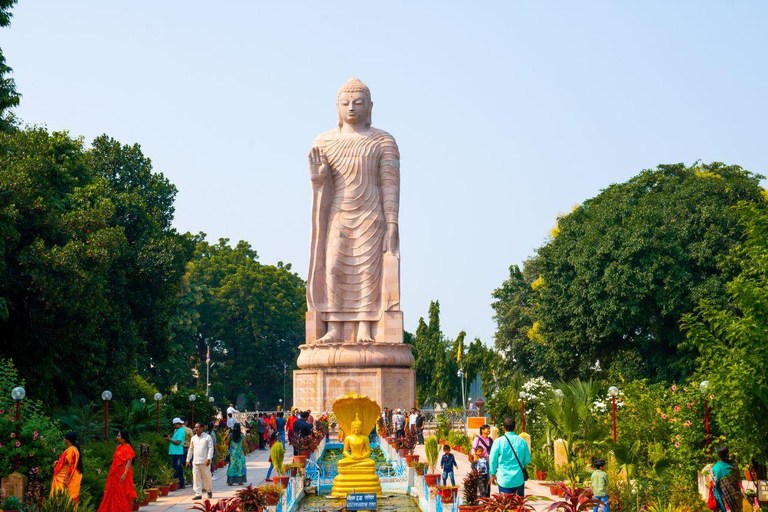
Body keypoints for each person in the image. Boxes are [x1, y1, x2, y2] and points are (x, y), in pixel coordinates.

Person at [489, 416, 531, 496]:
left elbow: (493, 460)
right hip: (518, 479)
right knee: (518, 506)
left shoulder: (498, 442)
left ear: (503, 428)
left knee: (506, 506)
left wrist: (493, 473)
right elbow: (527, 460)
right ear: (515, 427)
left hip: (504, 479)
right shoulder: (522, 441)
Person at [97, 430, 136, 512]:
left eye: (119, 436)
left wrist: (125, 474)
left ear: (123, 438)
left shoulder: (128, 447)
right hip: (115, 474)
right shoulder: (118, 447)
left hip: (122, 475)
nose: (117, 438)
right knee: (114, 494)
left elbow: (129, 462)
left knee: (122, 494)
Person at [51, 431, 83, 503]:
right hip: (63, 478)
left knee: (60, 500)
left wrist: (66, 480)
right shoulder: (73, 449)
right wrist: (58, 463)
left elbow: (70, 466)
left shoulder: (71, 450)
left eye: (65, 439)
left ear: (67, 440)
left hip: (63, 480)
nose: (64, 440)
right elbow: (66, 462)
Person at [186, 422, 214, 500]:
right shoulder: (193, 438)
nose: (196, 429)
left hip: (205, 462)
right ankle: (198, 493)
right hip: (195, 462)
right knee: (196, 478)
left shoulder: (207, 437)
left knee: (207, 477)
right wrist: (187, 460)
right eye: (195, 427)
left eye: (198, 427)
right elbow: (190, 449)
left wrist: (209, 458)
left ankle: (209, 490)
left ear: (202, 428)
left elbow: (211, 448)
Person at [711, 445, 743, 512]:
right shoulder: (733, 464)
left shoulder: (714, 469)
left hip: (725, 501)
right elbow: (739, 479)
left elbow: (715, 487)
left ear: (717, 455)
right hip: (737, 498)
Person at [165, 418, 187, 489]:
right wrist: (171, 438)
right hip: (175, 452)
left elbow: (178, 442)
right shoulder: (178, 430)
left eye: (175, 425)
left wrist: (169, 439)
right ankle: (181, 484)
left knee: (177, 468)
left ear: (178, 424)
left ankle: (177, 483)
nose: (174, 426)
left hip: (177, 452)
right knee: (178, 468)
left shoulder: (180, 431)